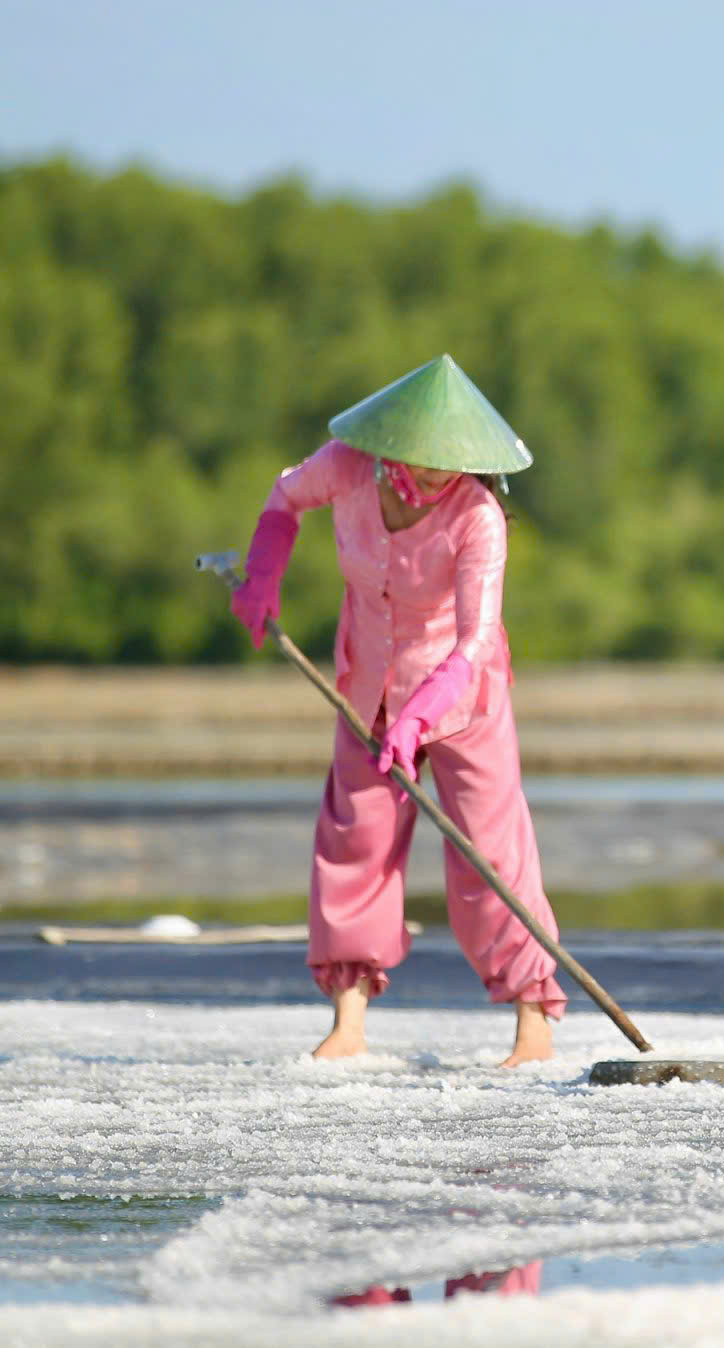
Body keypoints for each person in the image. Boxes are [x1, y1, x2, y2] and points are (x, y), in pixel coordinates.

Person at [228, 354, 566, 1066]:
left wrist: (420, 717)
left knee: (489, 850)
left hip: (461, 699)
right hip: (366, 686)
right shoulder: (349, 468)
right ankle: (348, 1022)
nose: (440, 473)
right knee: (355, 841)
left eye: (454, 461)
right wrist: (264, 571)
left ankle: (533, 1018)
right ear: (395, 442)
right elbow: (284, 497)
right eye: (428, 457)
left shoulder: (478, 518)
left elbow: (475, 640)